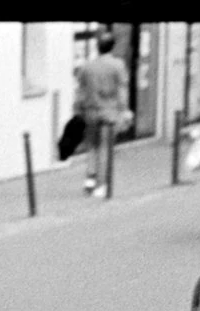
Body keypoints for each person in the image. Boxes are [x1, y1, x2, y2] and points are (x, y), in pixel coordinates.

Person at [74, 31, 132, 198]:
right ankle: (102, 185)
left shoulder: (87, 66)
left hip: (91, 111)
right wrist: (125, 111)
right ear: (112, 46)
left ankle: (89, 179)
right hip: (109, 112)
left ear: (97, 47)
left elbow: (81, 91)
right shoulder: (117, 65)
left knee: (92, 146)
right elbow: (122, 90)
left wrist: (78, 109)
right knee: (105, 148)